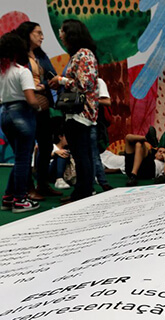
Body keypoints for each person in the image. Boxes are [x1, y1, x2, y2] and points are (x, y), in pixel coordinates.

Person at [48, 19, 98, 203]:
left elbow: (86, 84)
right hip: (78, 113)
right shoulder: (80, 54)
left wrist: (61, 80)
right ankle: (83, 191)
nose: (61, 36)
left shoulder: (83, 54)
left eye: (63, 33)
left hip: (81, 113)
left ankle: (82, 193)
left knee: (81, 153)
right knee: (80, 153)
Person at [16, 21, 61, 200]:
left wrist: (45, 84)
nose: (42, 36)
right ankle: (28, 188)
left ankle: (42, 184)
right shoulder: (17, 56)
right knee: (26, 149)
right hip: (25, 107)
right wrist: (37, 87)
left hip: (43, 107)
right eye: (38, 33)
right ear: (27, 34)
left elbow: (52, 75)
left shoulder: (41, 56)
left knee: (46, 145)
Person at [0, 32, 41, 213]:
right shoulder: (22, 71)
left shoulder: (2, 72)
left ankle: (9, 196)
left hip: (5, 114)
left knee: (19, 158)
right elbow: (31, 100)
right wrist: (38, 107)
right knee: (24, 159)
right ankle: (20, 200)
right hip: (22, 115)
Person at [90, 78, 112, 191]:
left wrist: (90, 99)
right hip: (79, 122)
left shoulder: (98, 81)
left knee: (93, 153)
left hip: (94, 122)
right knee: (91, 154)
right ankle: (101, 182)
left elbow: (107, 101)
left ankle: (98, 183)